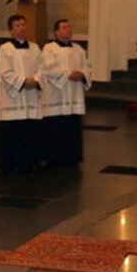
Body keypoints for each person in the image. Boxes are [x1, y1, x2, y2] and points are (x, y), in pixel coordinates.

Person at [0, 14, 42, 174]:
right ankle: (10, 163)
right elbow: (5, 72)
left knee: (30, 128)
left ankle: (30, 161)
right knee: (13, 129)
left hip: (31, 93)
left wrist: (36, 80)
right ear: (11, 30)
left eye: (23, 25)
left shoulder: (35, 47)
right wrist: (23, 81)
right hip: (13, 96)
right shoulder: (5, 48)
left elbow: (42, 68)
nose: (21, 28)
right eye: (17, 26)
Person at [40, 19, 91, 167]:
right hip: (57, 93)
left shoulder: (78, 49)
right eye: (64, 27)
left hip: (74, 93)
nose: (68, 29)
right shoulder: (49, 48)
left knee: (72, 126)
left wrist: (82, 74)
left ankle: (72, 156)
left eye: (69, 27)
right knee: (56, 126)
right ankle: (53, 157)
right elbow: (48, 68)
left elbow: (87, 66)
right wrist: (68, 74)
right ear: (56, 32)